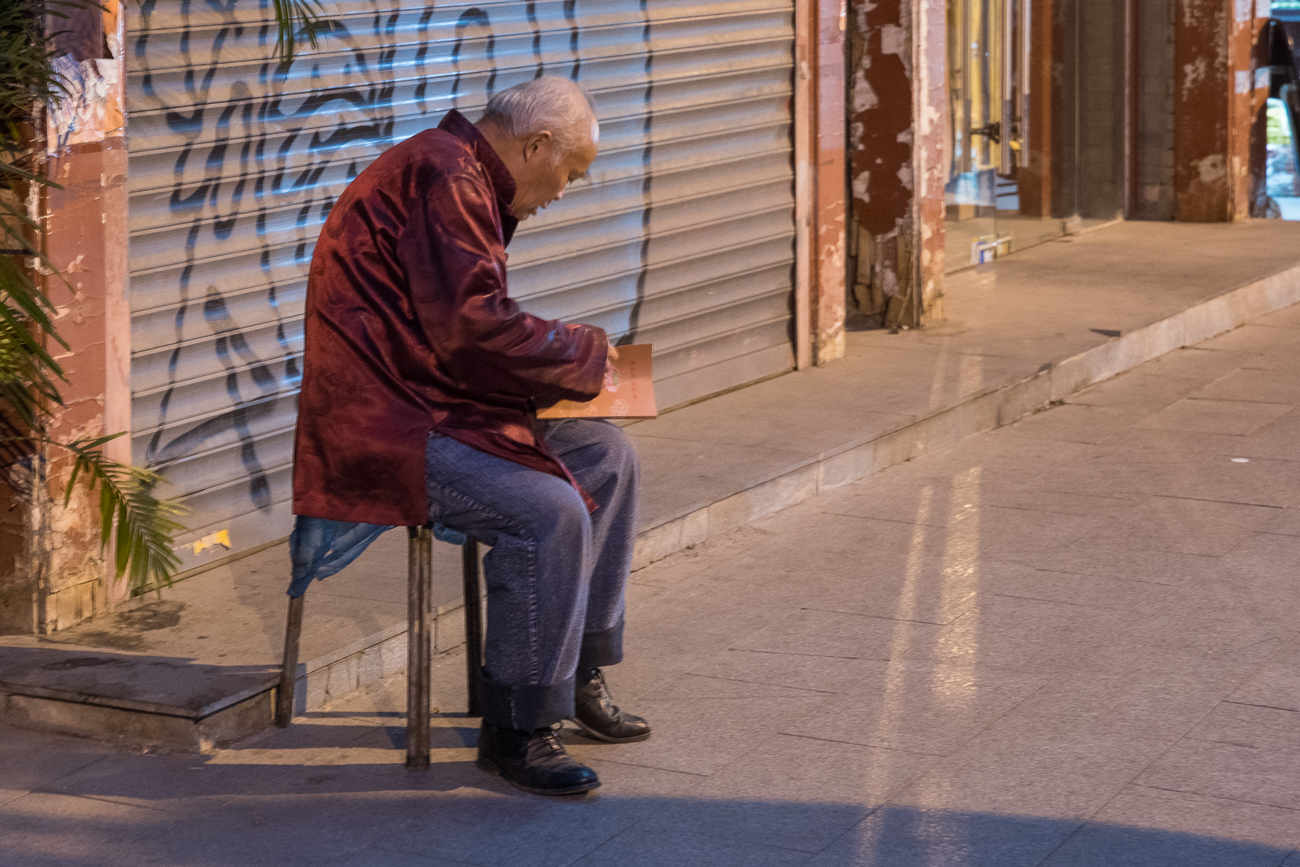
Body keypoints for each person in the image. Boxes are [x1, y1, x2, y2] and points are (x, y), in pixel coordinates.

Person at [292, 77, 650, 796]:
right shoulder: (444, 175)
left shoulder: (460, 171)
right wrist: (578, 350)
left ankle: (571, 669)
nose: (564, 190)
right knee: (544, 511)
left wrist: (567, 363)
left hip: (437, 398)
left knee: (610, 455)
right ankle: (516, 727)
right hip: (387, 420)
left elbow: (461, 326)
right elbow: (471, 325)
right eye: (569, 172)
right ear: (536, 145)